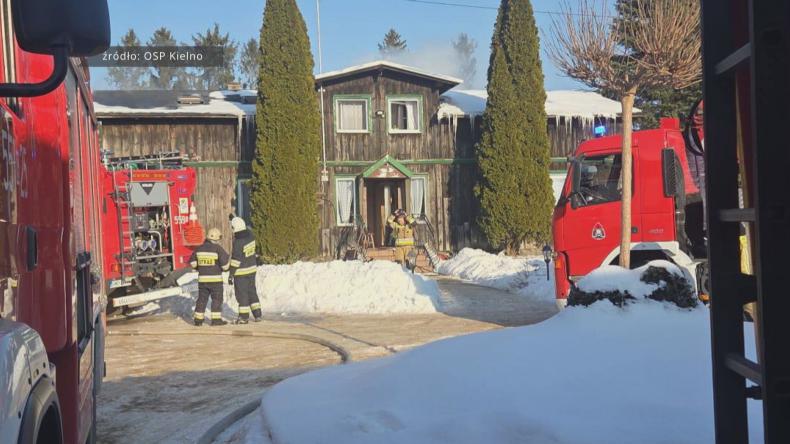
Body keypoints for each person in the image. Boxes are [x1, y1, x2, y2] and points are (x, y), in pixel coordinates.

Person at [189, 227, 230, 326]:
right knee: (217, 299)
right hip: (215, 281)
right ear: (217, 238)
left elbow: (193, 263)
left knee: (202, 299)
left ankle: (198, 320)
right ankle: (216, 320)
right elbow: (225, 266)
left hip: (203, 281)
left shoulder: (199, 248)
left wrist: (200, 267)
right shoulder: (218, 249)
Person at [229, 217, 262, 324]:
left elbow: (236, 260)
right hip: (251, 270)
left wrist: (231, 274)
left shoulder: (238, 242)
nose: (232, 230)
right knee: (252, 292)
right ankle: (257, 314)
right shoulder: (250, 236)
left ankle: (244, 317)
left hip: (241, 273)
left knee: (242, 294)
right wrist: (233, 218)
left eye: (232, 228)